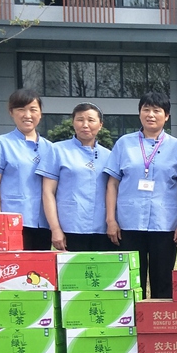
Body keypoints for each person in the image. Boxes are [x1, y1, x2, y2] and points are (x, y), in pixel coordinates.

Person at [103, 91, 177, 299]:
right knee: (132, 281)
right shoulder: (124, 144)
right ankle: (134, 318)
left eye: (157, 110)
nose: (151, 115)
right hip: (129, 223)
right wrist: (111, 220)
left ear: (166, 116)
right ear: (139, 113)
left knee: (163, 281)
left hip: (165, 223)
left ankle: (158, 319)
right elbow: (112, 184)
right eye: (146, 109)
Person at [0, 88, 52, 250]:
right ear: (11, 112)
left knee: (40, 265)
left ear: (40, 113)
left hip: (43, 222)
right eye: (21, 109)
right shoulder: (1, 143)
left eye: (33, 109)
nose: (27, 115)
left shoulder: (50, 148)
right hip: (12, 220)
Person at [37, 102, 112, 252]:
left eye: (91, 120)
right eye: (80, 120)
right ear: (73, 123)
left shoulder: (109, 155)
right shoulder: (57, 150)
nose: (85, 125)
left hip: (102, 229)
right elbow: (48, 192)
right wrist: (55, 228)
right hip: (70, 226)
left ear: (100, 125)